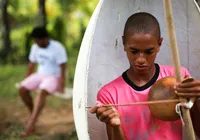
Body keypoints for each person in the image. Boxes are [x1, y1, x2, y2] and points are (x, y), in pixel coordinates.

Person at [90, 12, 200, 140]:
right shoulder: (109, 93)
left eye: (149, 51)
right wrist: (115, 126)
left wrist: (195, 100)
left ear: (159, 44)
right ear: (124, 43)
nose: (141, 59)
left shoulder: (178, 77)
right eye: (134, 51)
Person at [18, 26, 68, 136]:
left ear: (44, 38)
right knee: (22, 89)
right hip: (40, 75)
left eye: (37, 40)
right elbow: (31, 64)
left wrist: (62, 85)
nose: (36, 43)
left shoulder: (57, 47)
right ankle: (33, 115)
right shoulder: (35, 47)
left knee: (41, 92)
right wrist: (27, 79)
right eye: (34, 41)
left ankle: (30, 125)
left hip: (53, 77)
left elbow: (63, 67)